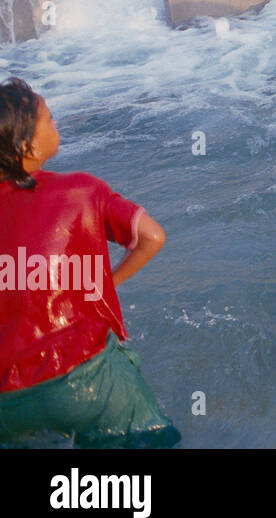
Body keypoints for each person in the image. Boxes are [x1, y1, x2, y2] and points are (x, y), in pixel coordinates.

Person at [0, 79, 178, 447]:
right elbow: (152, 237)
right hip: (84, 377)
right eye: (49, 120)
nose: (56, 125)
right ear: (27, 145)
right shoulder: (82, 191)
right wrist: (108, 283)